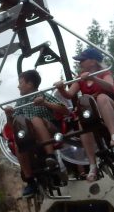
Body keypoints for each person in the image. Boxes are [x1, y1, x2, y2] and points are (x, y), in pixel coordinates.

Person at [54, 48, 114, 180]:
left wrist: (94, 78)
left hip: (109, 106)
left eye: (82, 60)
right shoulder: (80, 78)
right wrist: (61, 89)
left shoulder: (104, 73)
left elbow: (110, 87)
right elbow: (70, 94)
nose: (80, 63)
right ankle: (92, 165)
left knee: (101, 98)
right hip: (91, 112)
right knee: (81, 122)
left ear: (93, 61)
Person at [4, 69, 69, 198]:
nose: (18, 86)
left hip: (50, 130)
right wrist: (9, 116)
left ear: (30, 84)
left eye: (21, 83)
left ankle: (51, 157)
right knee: (18, 134)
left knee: (35, 120)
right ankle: (30, 180)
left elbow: (64, 110)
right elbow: (11, 126)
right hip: (31, 135)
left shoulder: (42, 95)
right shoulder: (20, 102)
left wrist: (45, 103)